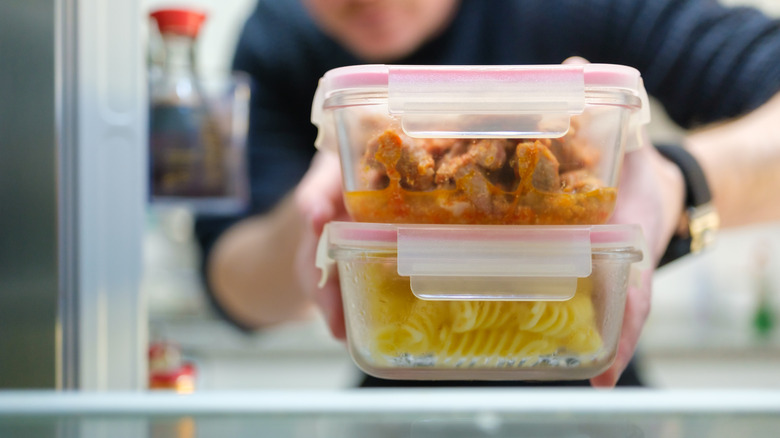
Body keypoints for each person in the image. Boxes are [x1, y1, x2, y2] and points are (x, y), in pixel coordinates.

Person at [194, 0, 780, 388]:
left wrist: (678, 181)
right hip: (401, 378)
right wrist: (323, 218)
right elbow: (229, 281)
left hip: (587, 389)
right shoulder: (280, 34)